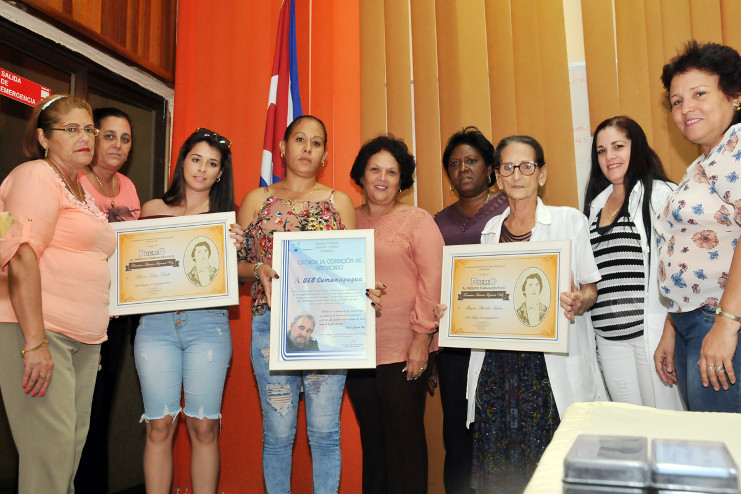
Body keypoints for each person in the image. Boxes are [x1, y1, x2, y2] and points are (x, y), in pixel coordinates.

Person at [466, 135, 607, 492]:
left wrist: (581, 300)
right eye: (508, 167)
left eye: (527, 166)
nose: (517, 175)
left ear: (541, 174)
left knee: (551, 463)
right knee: (500, 467)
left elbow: (591, 287)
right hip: (498, 369)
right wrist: (458, 310)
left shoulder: (569, 222)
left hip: (546, 367)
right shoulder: (489, 232)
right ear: (497, 176)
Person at [238, 115, 365, 494]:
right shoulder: (257, 200)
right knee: (277, 433)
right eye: (299, 139)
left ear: (325, 154)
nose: (307, 148)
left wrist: (365, 291)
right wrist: (257, 267)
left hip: (327, 331)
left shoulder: (339, 202)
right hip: (270, 326)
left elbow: (351, 268)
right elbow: (234, 265)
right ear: (283, 147)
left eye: (316, 142)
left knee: (325, 432)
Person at [0, 94, 115, 494]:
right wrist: (34, 343)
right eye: (71, 129)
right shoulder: (36, 175)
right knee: (48, 463)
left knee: (65, 457)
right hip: (39, 333)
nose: (84, 137)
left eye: (89, 129)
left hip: (81, 343)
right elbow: (21, 256)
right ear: (44, 138)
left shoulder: (83, 190)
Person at [134, 128, 236, 493]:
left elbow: (238, 275)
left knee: (204, 426)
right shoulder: (152, 210)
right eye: (196, 159)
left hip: (208, 326)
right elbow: (136, 272)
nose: (202, 169)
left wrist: (234, 250)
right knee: (159, 425)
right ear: (183, 162)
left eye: (212, 163)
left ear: (220, 173)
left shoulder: (228, 220)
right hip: (156, 327)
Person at [345, 135, 443, 494]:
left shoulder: (417, 220)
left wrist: (420, 342)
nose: (382, 178)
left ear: (402, 180)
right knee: (373, 444)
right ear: (361, 174)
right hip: (356, 350)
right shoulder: (346, 219)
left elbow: (433, 282)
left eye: (391, 171)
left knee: (405, 445)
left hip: (404, 350)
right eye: (374, 169)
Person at [654, 41, 741, 412]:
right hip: (693, 323)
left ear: (734, 96)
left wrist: (726, 324)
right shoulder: (703, 163)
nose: (686, 108)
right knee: (707, 444)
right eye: (676, 101)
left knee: (724, 452)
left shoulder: (736, 147)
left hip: (720, 322)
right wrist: (672, 327)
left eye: (699, 94)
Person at [582, 115, 684, 411]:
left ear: (635, 147)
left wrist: (672, 329)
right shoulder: (594, 206)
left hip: (649, 337)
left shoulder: (660, 194)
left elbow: (678, 271)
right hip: (609, 341)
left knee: (665, 428)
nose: (609, 156)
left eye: (618, 146)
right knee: (632, 430)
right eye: (601, 151)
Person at [433, 126, 507, 494]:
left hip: (502, 344)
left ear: (491, 168)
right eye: (455, 163)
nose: (463, 168)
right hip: (455, 347)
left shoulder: (511, 209)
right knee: (458, 436)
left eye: (472, 161)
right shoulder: (436, 222)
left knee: (499, 431)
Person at [75, 106, 141, 494]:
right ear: (92, 137)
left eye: (126, 138)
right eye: (110, 135)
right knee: (77, 414)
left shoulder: (129, 187)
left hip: (117, 316)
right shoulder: (76, 182)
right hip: (82, 312)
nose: (118, 144)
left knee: (100, 411)